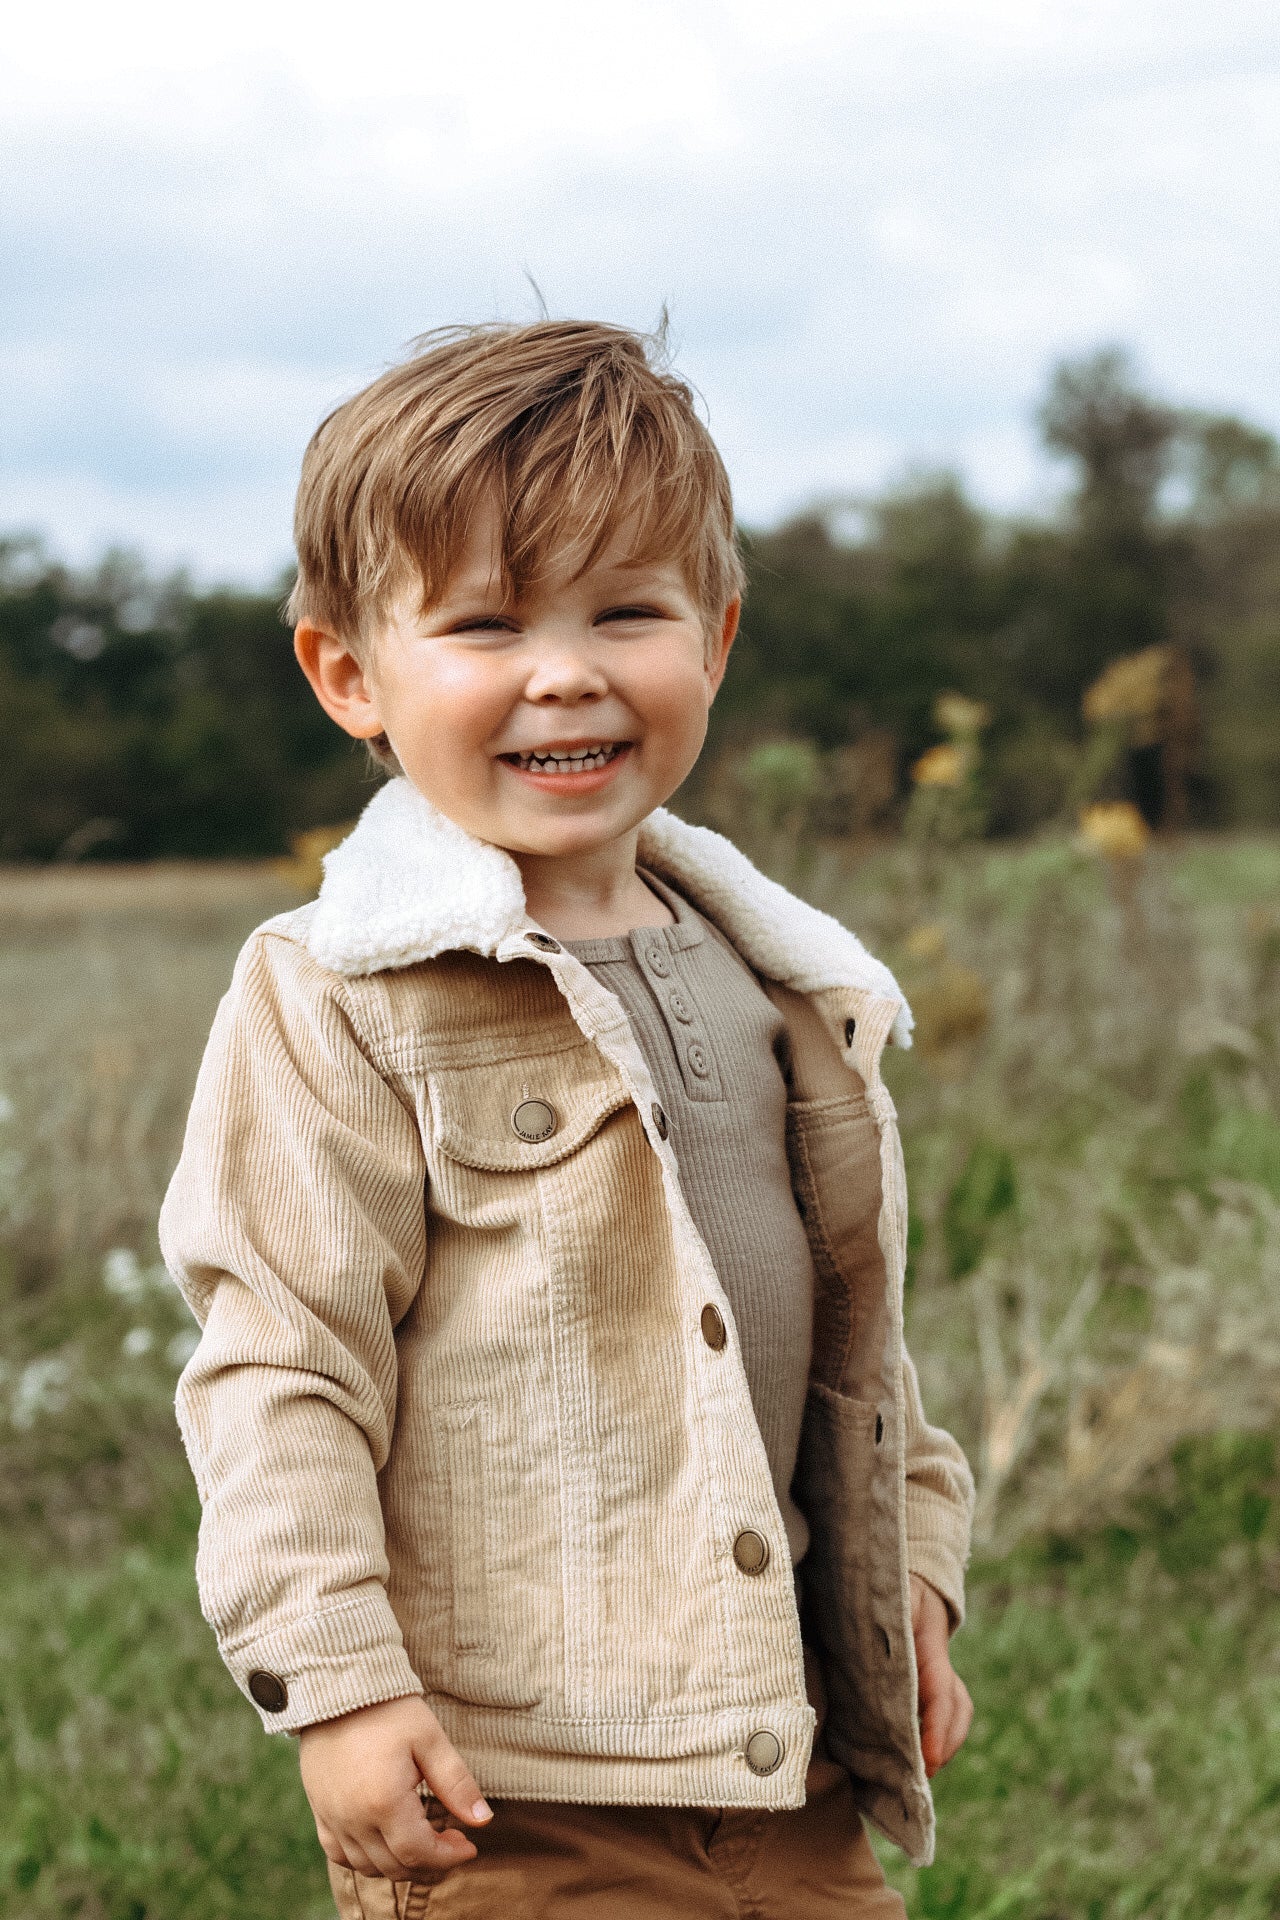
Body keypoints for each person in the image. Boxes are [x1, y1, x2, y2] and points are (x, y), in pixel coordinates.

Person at [160, 319, 975, 1919]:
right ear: (350, 676)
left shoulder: (777, 975)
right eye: (483, 623)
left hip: (789, 1767)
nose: (567, 670)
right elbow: (282, 1369)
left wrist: (915, 1576)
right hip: (507, 1792)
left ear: (717, 636)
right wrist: (335, 1681)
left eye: (628, 611)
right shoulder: (336, 994)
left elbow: (855, 1342)